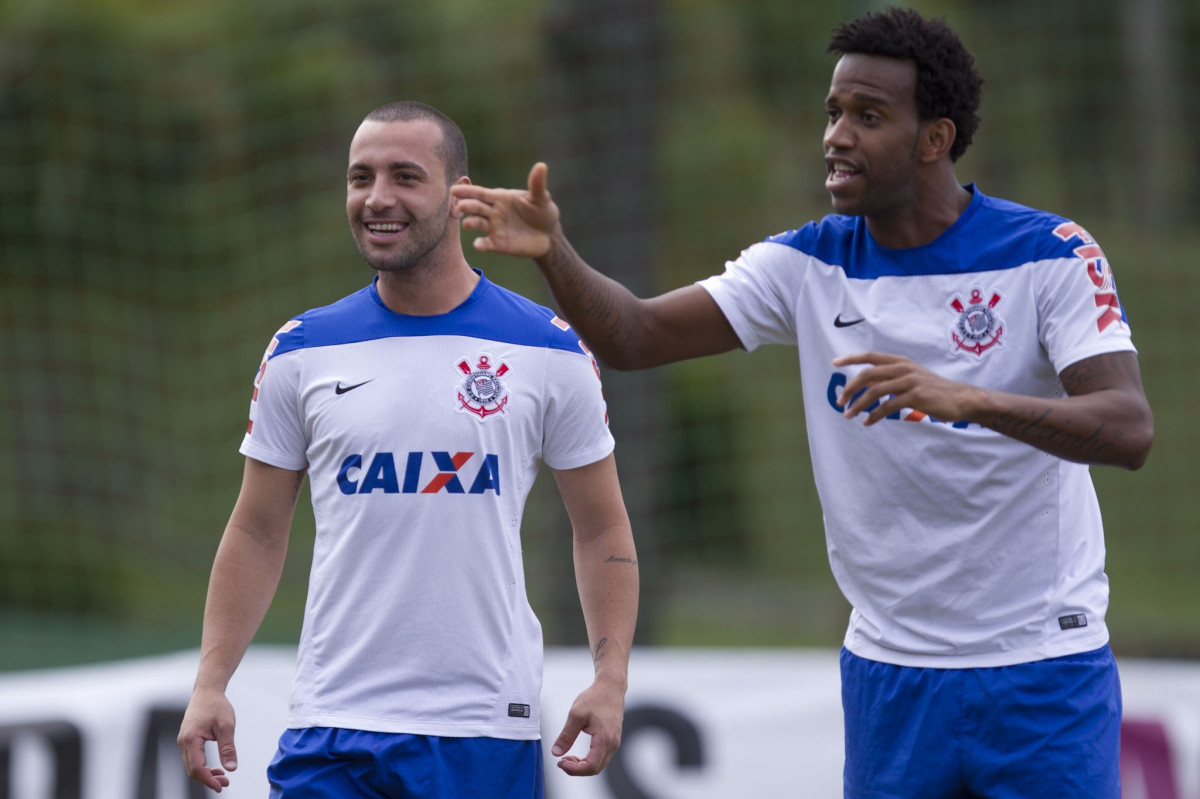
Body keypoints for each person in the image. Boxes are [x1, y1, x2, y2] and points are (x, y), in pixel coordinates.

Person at [451, 8, 1154, 798]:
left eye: (868, 116)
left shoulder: (1049, 254)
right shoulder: (805, 263)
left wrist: (966, 398)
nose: (837, 136)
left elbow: (1128, 427)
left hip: (1041, 669)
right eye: (833, 112)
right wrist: (555, 252)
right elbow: (637, 336)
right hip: (891, 673)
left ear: (935, 138)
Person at [176, 100, 639, 798]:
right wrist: (211, 681)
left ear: (459, 195)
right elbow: (257, 527)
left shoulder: (548, 349)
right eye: (360, 177)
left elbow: (601, 526)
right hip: (331, 726)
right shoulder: (302, 349)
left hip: (482, 728)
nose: (377, 198)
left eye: (404, 176)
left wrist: (610, 680)